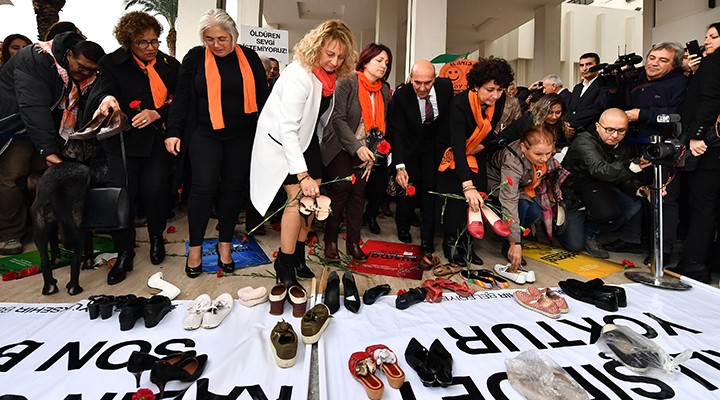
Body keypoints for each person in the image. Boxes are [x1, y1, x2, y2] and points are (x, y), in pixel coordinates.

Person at [250, 20, 356, 286]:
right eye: (329, 54)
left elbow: (316, 120)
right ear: (316, 47)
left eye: (340, 57)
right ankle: (284, 264)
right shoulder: (299, 75)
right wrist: (302, 174)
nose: (334, 61)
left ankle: (298, 256)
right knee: (297, 200)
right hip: (282, 143)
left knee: (313, 202)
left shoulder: (328, 77)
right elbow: (288, 128)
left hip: (305, 140)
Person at [166, 9, 269, 278]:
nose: (216, 45)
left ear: (233, 35)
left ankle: (225, 245)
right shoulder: (195, 57)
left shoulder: (249, 57)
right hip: (205, 133)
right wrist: (173, 131)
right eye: (209, 39)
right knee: (203, 187)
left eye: (222, 38)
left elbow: (264, 98)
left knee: (233, 189)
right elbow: (182, 97)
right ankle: (196, 248)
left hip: (242, 135)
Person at [86, 11, 180, 284]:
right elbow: (104, 91)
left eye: (155, 41)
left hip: (157, 142)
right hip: (123, 143)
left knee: (155, 193)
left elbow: (181, 102)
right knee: (123, 198)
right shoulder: (112, 62)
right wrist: (107, 99)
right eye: (143, 42)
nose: (151, 47)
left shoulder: (170, 65)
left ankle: (155, 239)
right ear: (129, 42)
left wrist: (157, 112)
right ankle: (124, 252)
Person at [0, 32, 104, 256]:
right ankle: (10, 234)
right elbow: (33, 107)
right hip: (14, 127)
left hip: (44, 129)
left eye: (91, 70)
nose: (85, 73)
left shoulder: (74, 71)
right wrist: (48, 149)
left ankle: (50, 229)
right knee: (13, 178)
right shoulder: (35, 59)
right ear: (68, 55)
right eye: (82, 67)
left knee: (46, 181)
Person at [604, 42, 688, 261]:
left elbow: (679, 112)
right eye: (652, 57)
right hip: (631, 145)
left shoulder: (681, 82)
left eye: (663, 60)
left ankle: (663, 249)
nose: (654, 63)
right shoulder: (635, 76)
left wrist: (642, 114)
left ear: (674, 65)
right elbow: (615, 104)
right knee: (636, 191)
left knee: (664, 199)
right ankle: (632, 239)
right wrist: (613, 90)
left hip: (663, 149)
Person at [437, 57, 514, 264]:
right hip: (452, 152)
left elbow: (492, 129)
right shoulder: (459, 104)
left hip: (476, 150)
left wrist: (483, 145)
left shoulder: (498, 101)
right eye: (490, 90)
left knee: (479, 195)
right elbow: (458, 146)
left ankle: (468, 243)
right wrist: (466, 184)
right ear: (476, 86)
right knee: (456, 196)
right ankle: (451, 241)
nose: (496, 95)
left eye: (500, 90)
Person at [320, 43, 392, 261]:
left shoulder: (384, 90)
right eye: (379, 60)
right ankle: (330, 241)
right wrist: (357, 148)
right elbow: (338, 119)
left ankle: (353, 242)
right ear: (366, 60)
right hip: (340, 145)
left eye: (387, 63)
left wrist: (371, 155)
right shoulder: (348, 81)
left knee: (359, 192)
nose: (383, 66)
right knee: (342, 186)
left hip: (366, 150)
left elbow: (381, 126)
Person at [559, 108, 649, 259]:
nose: (615, 135)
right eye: (609, 129)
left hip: (601, 188)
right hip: (574, 195)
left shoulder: (622, 147)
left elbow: (621, 177)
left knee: (632, 205)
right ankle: (562, 220)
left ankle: (591, 233)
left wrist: (639, 188)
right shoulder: (584, 142)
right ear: (597, 127)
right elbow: (600, 170)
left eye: (621, 131)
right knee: (574, 245)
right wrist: (634, 166)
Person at [388, 60, 454, 253]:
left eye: (427, 83)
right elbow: (397, 132)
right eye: (417, 82)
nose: (422, 88)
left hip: (433, 148)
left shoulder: (445, 88)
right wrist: (399, 166)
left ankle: (427, 238)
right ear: (410, 78)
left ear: (435, 79)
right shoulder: (401, 95)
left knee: (430, 191)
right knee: (407, 188)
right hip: (409, 147)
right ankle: (403, 226)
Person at [675, 22, 720, 283]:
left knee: (702, 205)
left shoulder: (713, 64)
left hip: (708, 145)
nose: (707, 41)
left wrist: (696, 135)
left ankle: (694, 264)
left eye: (713, 36)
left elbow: (709, 101)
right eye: (706, 37)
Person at [488, 126, 568, 270]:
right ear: (523, 147)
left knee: (535, 213)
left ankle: (509, 232)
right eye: (538, 154)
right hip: (498, 184)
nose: (544, 159)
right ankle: (509, 246)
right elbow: (509, 199)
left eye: (548, 153)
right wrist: (515, 243)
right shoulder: (512, 161)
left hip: (524, 184)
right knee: (522, 206)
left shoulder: (542, 154)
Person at [498, 93, 572, 148]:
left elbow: (563, 144)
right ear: (542, 111)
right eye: (549, 113)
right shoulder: (529, 122)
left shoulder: (559, 123)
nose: (554, 117)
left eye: (558, 112)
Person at [568, 52, 606, 133]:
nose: (584, 68)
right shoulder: (577, 88)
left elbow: (596, 109)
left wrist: (572, 123)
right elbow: (571, 108)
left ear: (598, 66)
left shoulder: (603, 85)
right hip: (572, 133)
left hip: (591, 133)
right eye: (581, 65)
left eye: (589, 64)